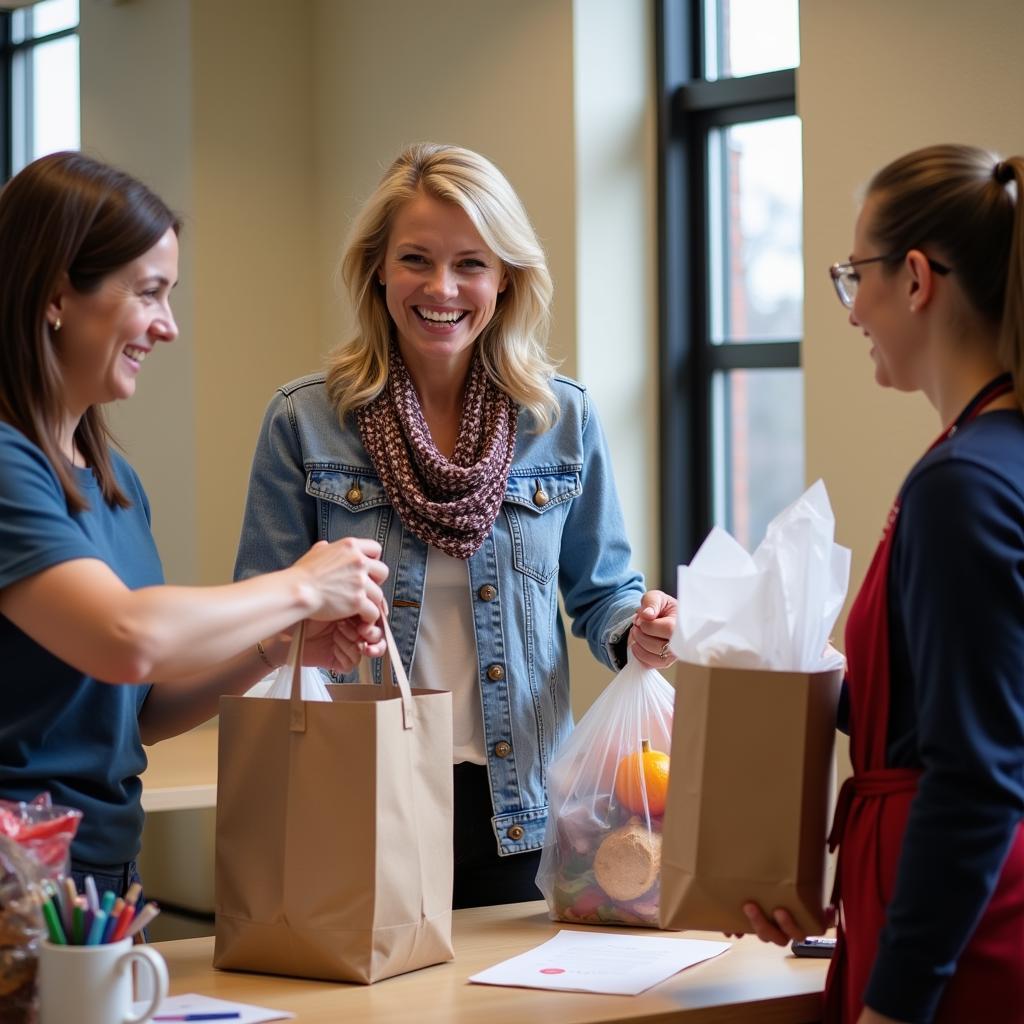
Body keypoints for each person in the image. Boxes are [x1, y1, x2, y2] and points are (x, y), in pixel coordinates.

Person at [234, 142, 678, 909]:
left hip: (525, 811)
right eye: (416, 259)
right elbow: (259, 617)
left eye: (471, 263)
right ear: (377, 268)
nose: (443, 288)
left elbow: (603, 592)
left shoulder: (559, 418)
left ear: (505, 278)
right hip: (359, 794)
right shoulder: (305, 421)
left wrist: (639, 628)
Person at [0, 151, 390, 900]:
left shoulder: (112, 479)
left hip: (99, 874)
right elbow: (128, 637)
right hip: (20, 880)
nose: (168, 327)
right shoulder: (6, 464)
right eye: (149, 294)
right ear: (56, 294)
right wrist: (303, 587)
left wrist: (275, 649)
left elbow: (139, 710)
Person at [743, 144, 1024, 1023]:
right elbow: (959, 704)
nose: (852, 307)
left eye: (852, 274)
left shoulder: (963, 486)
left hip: (959, 947)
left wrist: (895, 1003)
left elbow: (975, 774)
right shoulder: (988, 460)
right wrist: (778, 666)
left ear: (913, 279)